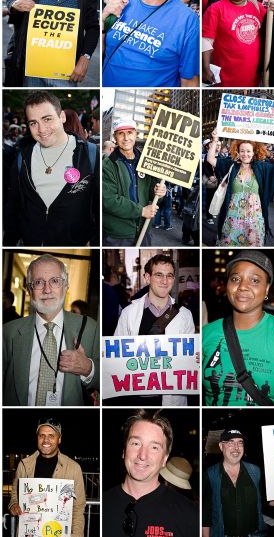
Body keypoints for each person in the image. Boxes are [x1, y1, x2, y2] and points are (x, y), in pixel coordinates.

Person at [202, 251, 274, 406]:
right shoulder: (206, 333)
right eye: (235, 279)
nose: (242, 287)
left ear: (267, 289)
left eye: (254, 280)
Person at [103, 410, 199, 537]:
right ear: (124, 451)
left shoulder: (189, 514)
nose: (142, 455)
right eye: (135, 443)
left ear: (165, 459)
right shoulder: (103, 506)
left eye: (154, 447)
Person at [5, 91, 99, 246]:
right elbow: (13, 208)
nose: (41, 129)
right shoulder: (22, 156)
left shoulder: (90, 155)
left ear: (62, 117)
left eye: (47, 119)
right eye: (33, 123)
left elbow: (99, 208)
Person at [114, 254, 195, 405]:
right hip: (136, 398)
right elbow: (116, 358)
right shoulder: (129, 313)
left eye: (169, 276)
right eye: (159, 275)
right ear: (147, 277)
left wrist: (196, 358)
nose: (165, 281)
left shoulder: (185, 315)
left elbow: (190, 359)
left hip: (172, 398)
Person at [8, 418, 86, 537]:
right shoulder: (24, 465)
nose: (46, 440)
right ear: (37, 438)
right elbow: (15, 493)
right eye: (42, 435)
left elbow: (78, 506)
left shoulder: (73, 468)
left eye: (51, 436)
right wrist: (13, 504)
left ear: (59, 439)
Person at [205, 130, 274, 246]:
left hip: (254, 220)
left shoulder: (261, 167)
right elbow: (210, 159)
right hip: (232, 219)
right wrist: (215, 140)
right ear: (238, 152)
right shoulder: (231, 166)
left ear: (254, 152)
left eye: (248, 151)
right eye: (242, 151)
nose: (245, 154)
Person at [201, 0, 273, 86]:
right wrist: (205, 67)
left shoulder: (258, 7)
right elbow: (206, 40)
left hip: (254, 77)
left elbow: (273, 28)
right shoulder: (216, 9)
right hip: (225, 78)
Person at [102, 118, 167, 246]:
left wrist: (159, 192)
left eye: (130, 133)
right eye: (121, 133)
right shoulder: (107, 165)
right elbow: (108, 200)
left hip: (144, 230)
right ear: (115, 137)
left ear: (136, 134)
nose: (126, 138)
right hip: (118, 235)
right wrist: (141, 211)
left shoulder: (146, 162)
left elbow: (153, 196)